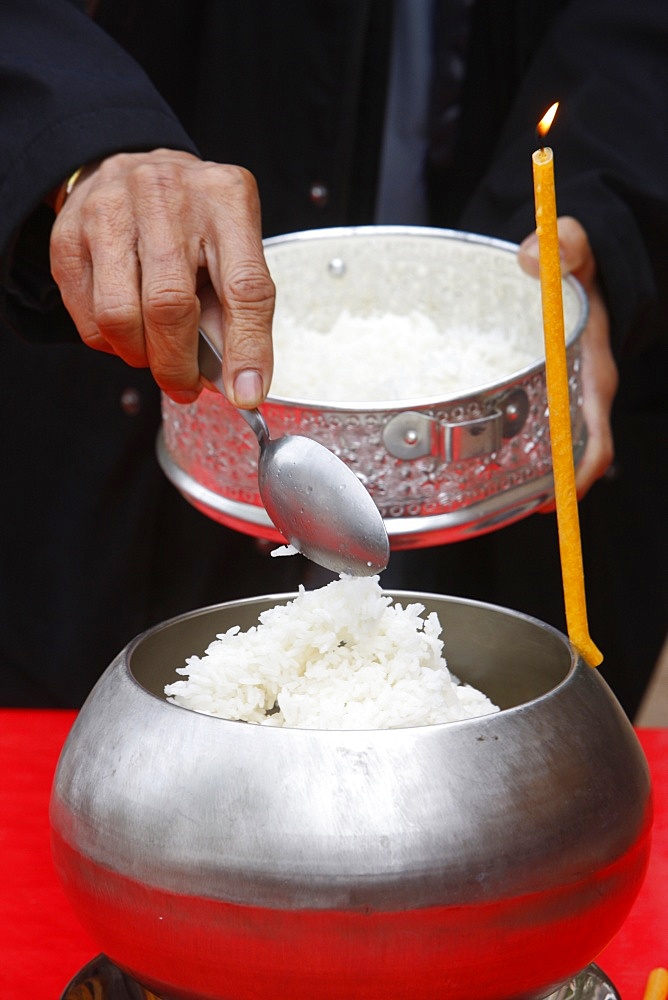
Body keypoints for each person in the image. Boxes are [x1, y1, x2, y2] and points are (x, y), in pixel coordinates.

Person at [0, 0, 666, 714]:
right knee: (116, 729)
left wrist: (604, 213)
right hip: (123, 396)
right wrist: (82, 135)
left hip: (510, 478)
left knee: (517, 734)